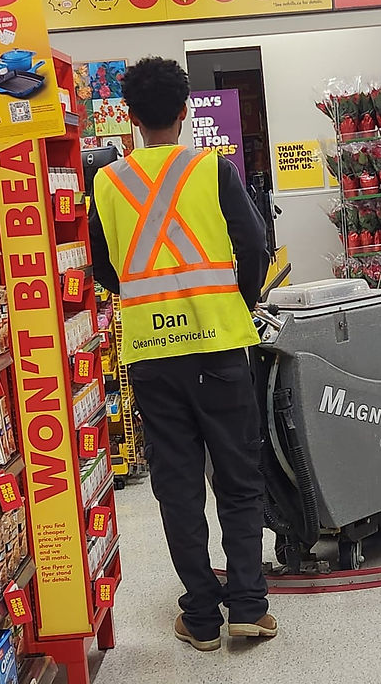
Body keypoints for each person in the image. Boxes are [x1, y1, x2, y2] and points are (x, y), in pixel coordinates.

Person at [88, 57, 277, 651]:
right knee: (239, 480)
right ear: (185, 109)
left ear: (130, 115)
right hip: (220, 347)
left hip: (151, 354)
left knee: (176, 486)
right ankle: (247, 606)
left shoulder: (108, 182)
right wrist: (236, 305)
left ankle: (200, 616)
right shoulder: (211, 169)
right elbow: (255, 247)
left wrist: (153, 297)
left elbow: (105, 270)